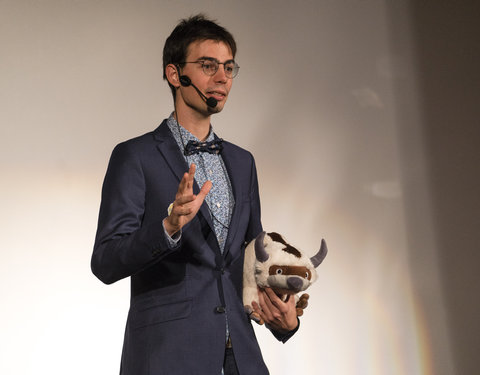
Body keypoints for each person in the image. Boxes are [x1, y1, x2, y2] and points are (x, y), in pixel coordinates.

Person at [91, 14, 299, 375]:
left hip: (241, 357)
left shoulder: (242, 161)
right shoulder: (135, 156)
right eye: (208, 66)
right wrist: (168, 227)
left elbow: (252, 257)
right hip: (168, 354)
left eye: (229, 67)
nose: (222, 77)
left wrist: (285, 314)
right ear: (175, 75)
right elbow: (105, 261)